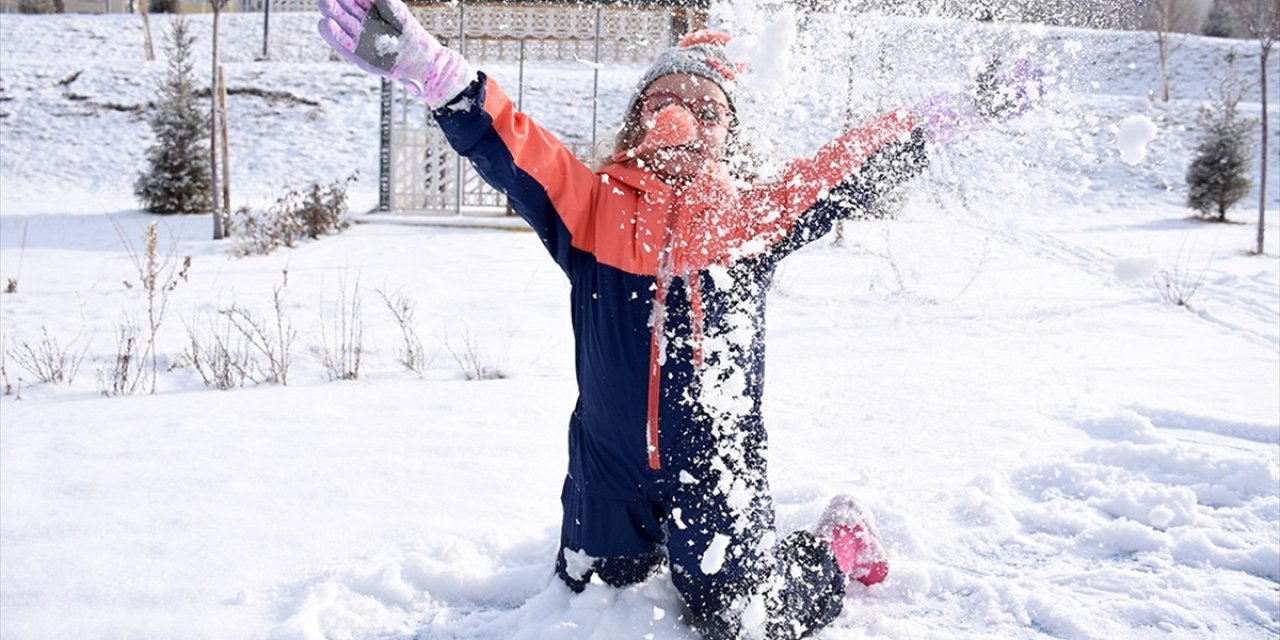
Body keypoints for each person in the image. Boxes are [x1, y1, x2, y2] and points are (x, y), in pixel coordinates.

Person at [317, 1, 1040, 637]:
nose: (679, 116)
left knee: (744, 618)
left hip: (716, 469)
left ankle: (838, 545)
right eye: (664, 98)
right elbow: (517, 150)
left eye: (705, 107)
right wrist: (436, 72)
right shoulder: (588, 204)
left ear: (729, 130)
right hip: (607, 469)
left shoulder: (752, 217)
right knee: (590, 596)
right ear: (638, 117)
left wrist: (956, 111)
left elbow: (845, 168)